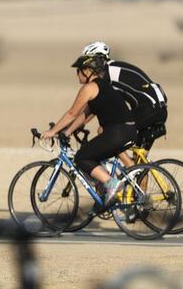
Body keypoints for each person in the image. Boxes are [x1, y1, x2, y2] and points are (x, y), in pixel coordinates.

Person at [41, 51, 137, 206]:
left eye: (78, 70)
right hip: (127, 131)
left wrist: (52, 132)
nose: (77, 74)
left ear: (87, 71)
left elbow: (72, 113)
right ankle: (103, 197)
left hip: (117, 132)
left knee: (81, 158)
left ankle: (112, 184)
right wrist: (67, 131)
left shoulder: (90, 88)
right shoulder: (103, 86)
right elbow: (84, 115)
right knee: (92, 157)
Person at [70, 42, 168, 167]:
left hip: (147, 109)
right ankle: (137, 178)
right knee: (140, 163)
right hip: (159, 109)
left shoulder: (106, 74)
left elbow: (92, 109)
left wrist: (75, 126)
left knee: (105, 130)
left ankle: (129, 165)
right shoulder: (116, 67)